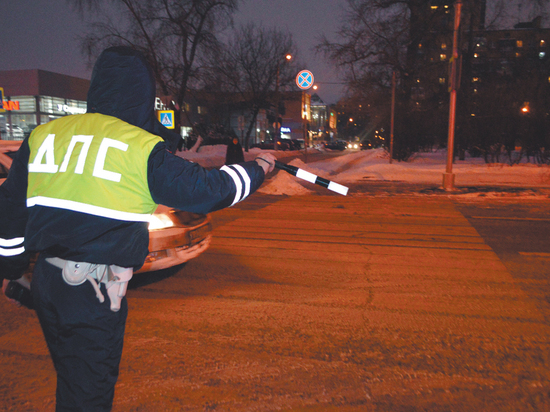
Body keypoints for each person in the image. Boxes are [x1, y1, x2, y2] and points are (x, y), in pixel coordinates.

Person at [0, 46, 275, 411]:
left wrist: (13, 272)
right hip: (92, 292)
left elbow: (9, 212)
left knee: (72, 381)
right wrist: (261, 167)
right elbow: (211, 190)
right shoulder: (139, 148)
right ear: (143, 93)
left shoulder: (45, 136)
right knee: (89, 395)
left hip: (49, 286)